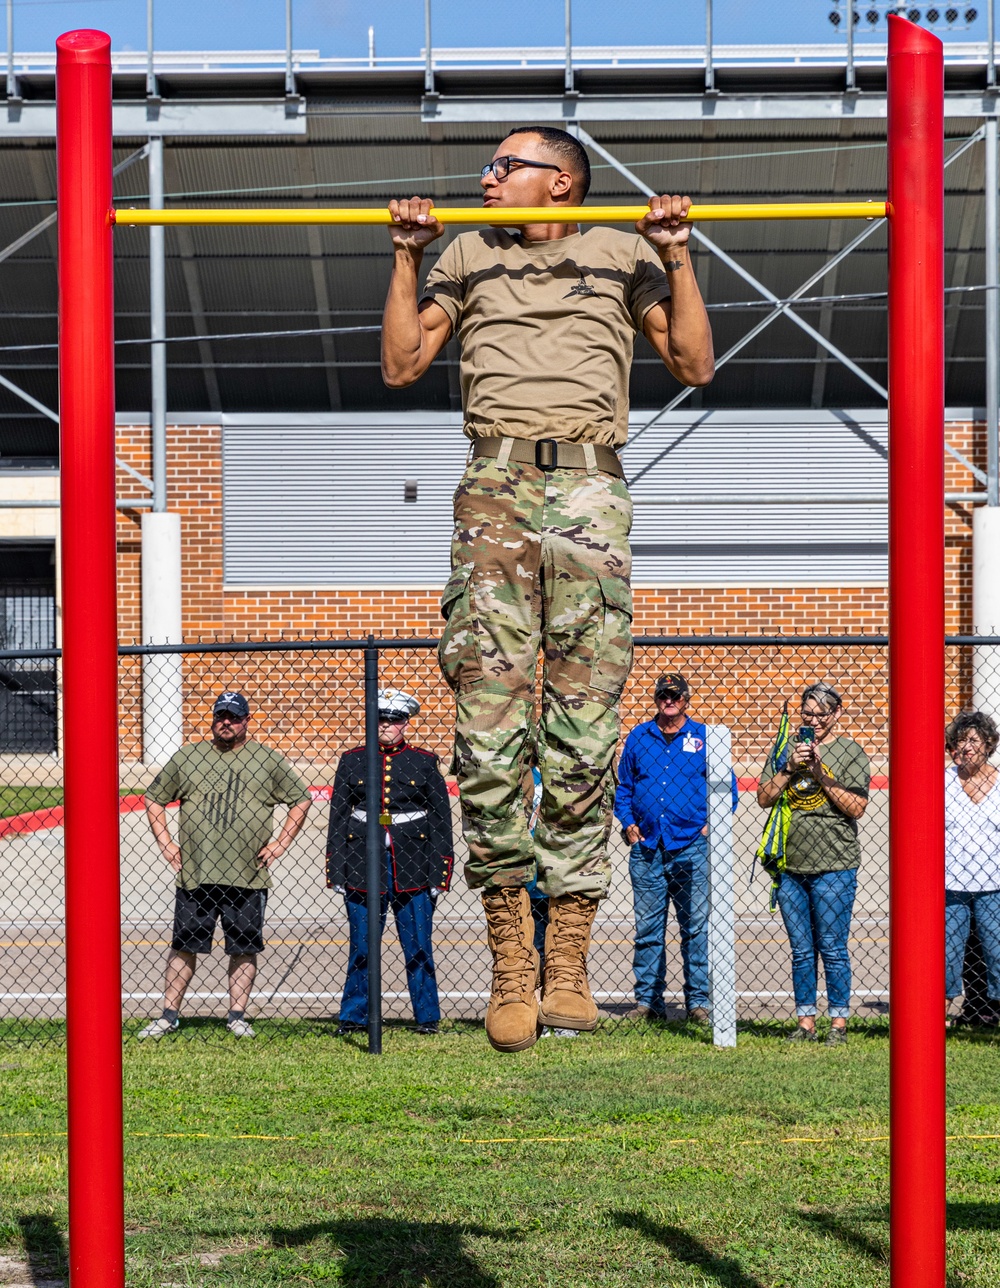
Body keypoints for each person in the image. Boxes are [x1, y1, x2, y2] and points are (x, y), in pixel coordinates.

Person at [381, 127, 714, 1052]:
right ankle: (509, 961)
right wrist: (406, 258)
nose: (485, 179)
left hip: (590, 489)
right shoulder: (463, 250)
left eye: (504, 166)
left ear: (559, 183)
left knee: (585, 720)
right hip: (494, 486)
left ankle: (567, 956)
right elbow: (403, 363)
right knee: (487, 725)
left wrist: (678, 256)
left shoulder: (621, 250)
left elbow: (693, 363)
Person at [137, 692, 311, 1039]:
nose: (226, 723)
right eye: (221, 716)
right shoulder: (188, 758)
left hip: (247, 875)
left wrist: (281, 843)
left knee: (244, 946)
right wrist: (167, 844)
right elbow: (153, 799)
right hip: (197, 875)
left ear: (247, 720)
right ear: (213, 719)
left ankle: (236, 1016)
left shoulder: (267, 760)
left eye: (234, 717)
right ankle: (169, 1015)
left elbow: (301, 799)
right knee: (185, 945)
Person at [326, 689, 454, 1036]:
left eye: (394, 720)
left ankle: (427, 1018)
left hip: (413, 865)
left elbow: (441, 821)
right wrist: (336, 868)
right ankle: (353, 1017)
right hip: (363, 864)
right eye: (381, 719)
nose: (386, 725)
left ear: (406, 724)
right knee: (362, 949)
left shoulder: (424, 762)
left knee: (418, 949)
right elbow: (338, 816)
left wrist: (439, 875)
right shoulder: (352, 760)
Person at [615, 672, 737, 1025]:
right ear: (656, 699)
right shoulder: (640, 737)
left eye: (676, 696)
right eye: (663, 695)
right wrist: (628, 824)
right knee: (648, 930)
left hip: (692, 847)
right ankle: (649, 1002)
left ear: (686, 700)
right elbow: (624, 788)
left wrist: (709, 826)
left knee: (695, 928)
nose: (669, 701)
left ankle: (698, 1003)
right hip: (648, 847)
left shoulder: (704, 738)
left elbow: (726, 789)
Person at [756, 683, 870, 1046]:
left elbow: (856, 808)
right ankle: (806, 1022)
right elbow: (762, 797)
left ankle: (838, 1023)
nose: (814, 720)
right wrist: (789, 769)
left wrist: (821, 772)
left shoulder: (850, 751)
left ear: (836, 715)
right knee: (802, 950)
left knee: (833, 947)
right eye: (808, 713)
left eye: (822, 714)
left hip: (835, 864)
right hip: (791, 865)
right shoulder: (785, 749)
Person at [944, 710, 1000, 1025]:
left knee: (997, 951)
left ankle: (992, 1013)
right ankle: (936, 1017)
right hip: (951, 883)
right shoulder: (943, 780)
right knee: (948, 953)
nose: (966, 748)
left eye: (974, 741)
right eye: (961, 740)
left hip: (995, 883)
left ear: (988, 744)